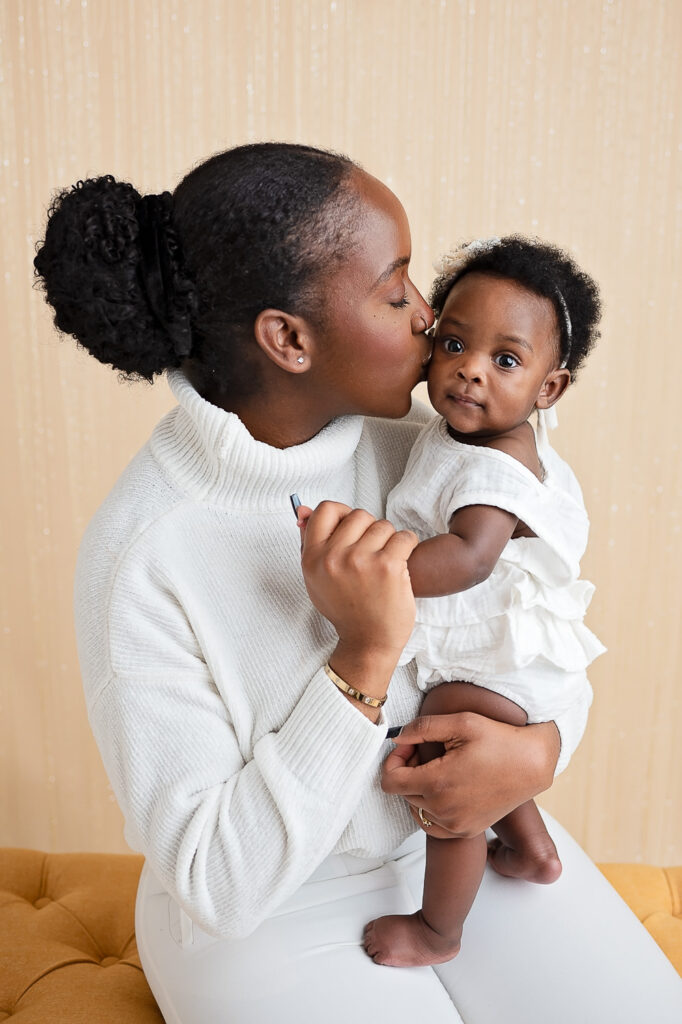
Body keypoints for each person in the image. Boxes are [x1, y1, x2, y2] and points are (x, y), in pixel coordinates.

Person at [33, 144, 682, 1023]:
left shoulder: (430, 445)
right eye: (397, 290)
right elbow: (215, 881)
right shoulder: (144, 551)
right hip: (260, 910)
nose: (431, 320)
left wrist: (544, 749)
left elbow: (542, 622)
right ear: (289, 338)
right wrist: (364, 660)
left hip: (452, 847)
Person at [355, 237, 606, 968]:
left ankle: (439, 931)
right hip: (509, 660)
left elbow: (468, 559)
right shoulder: (469, 432)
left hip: (499, 665)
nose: (469, 368)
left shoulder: (497, 468)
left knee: (450, 773)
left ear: (548, 389)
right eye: (455, 342)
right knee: (487, 764)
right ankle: (532, 850)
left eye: (505, 359)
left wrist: (379, 566)